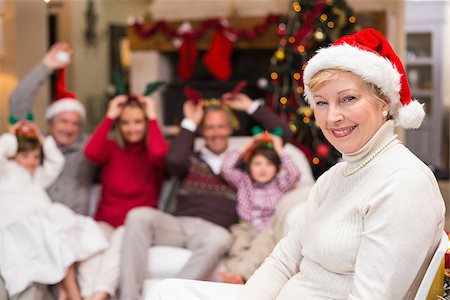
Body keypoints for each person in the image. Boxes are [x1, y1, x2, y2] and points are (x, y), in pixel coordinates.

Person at [146, 28, 445, 300]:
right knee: (167, 291)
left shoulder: (404, 183)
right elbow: (284, 259)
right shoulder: (335, 176)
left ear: (384, 104)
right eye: (321, 103)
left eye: (348, 99)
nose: (332, 117)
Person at [120, 92, 293, 300]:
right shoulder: (191, 157)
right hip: (177, 224)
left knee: (219, 238)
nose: (216, 133)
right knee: (138, 216)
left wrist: (250, 106)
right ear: (202, 131)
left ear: (230, 129)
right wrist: (190, 122)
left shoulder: (245, 164)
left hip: (213, 231)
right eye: (209, 127)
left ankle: (169, 297)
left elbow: (283, 133)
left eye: (221, 126)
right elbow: (173, 160)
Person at [0, 122, 107, 300]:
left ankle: (65, 292)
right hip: (19, 226)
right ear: (13, 156)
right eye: (25, 156)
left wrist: (42, 139)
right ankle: (73, 294)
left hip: (42, 224)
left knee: (72, 233)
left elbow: (57, 162)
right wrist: (12, 136)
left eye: (35, 157)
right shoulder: (5, 173)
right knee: (54, 236)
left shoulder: (37, 176)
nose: (31, 162)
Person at [78, 95, 168, 300]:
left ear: (146, 123)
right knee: (90, 245)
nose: (131, 128)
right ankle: (87, 296)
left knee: (121, 238)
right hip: (105, 222)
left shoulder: (153, 151)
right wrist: (110, 115)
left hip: (134, 227)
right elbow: (91, 152)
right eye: (125, 123)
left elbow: (159, 154)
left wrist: (152, 116)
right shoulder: (111, 148)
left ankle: (98, 296)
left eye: (138, 122)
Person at [9, 42, 96, 216]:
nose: (69, 128)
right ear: (50, 123)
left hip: (76, 226)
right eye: (63, 121)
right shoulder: (37, 145)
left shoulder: (89, 149)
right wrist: (46, 66)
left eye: (75, 123)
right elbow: (18, 103)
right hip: (39, 222)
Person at [218, 131, 301, 284]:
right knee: (236, 245)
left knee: (260, 247)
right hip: (245, 227)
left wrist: (278, 149)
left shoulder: (279, 184)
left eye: (269, 164)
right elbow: (225, 168)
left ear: (277, 168)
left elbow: (295, 173)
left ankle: (242, 276)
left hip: (266, 230)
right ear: (249, 167)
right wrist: (248, 144)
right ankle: (235, 276)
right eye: (257, 164)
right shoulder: (244, 181)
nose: (263, 169)